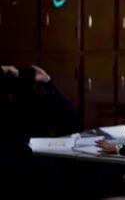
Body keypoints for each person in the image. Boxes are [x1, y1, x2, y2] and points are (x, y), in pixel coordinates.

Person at [0, 64, 80, 198]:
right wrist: (2, 70)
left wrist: (47, 83)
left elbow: (72, 119)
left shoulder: (31, 104)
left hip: (36, 163)